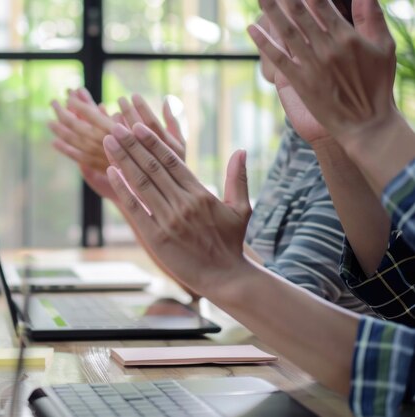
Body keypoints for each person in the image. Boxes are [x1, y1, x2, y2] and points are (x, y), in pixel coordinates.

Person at [90, 1, 415, 416]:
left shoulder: (350, 159)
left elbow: (284, 295)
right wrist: (151, 199)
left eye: (279, 7)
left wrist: (368, 128)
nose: (259, 20)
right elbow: (402, 306)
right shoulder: (304, 136)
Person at [49, 2, 374, 315]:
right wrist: (135, 192)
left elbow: (283, 314)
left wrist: (170, 178)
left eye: (274, 9)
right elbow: (213, 283)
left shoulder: (345, 161)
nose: (257, 27)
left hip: (297, 371)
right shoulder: (298, 140)